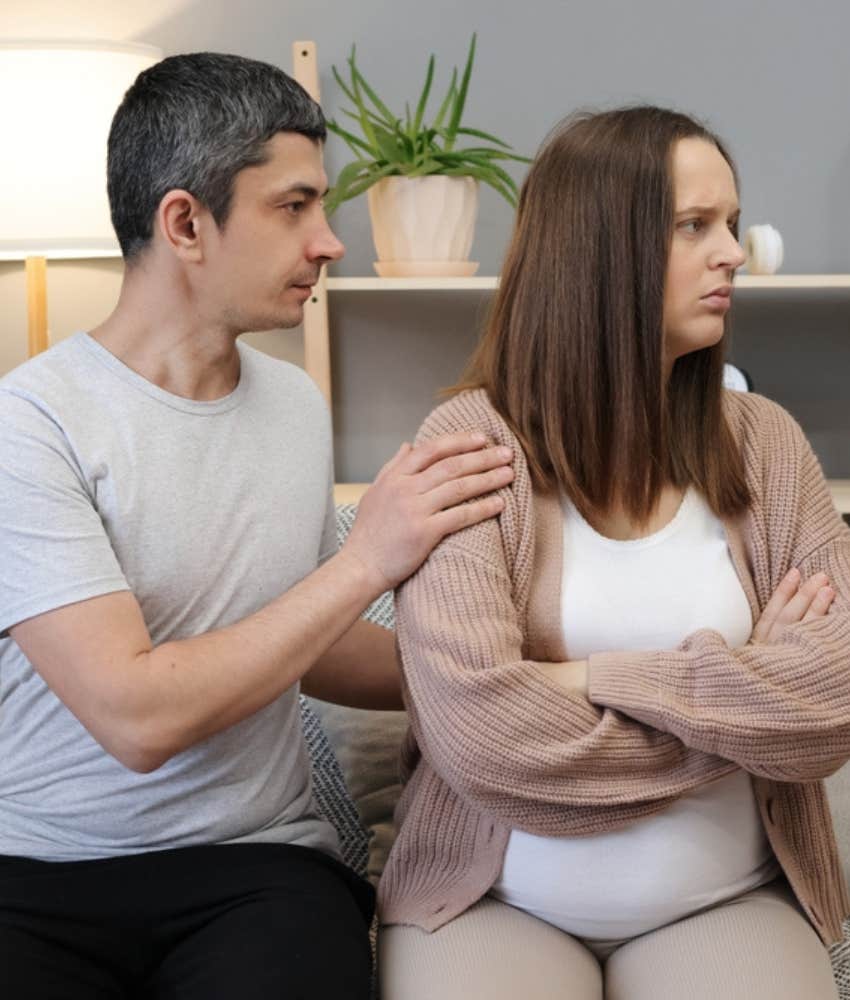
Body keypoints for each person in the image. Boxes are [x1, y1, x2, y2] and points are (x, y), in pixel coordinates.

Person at [0, 52, 514, 999]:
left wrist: (511, 675)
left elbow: (305, 644)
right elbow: (136, 717)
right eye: (294, 206)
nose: (330, 243)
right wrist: (368, 560)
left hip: (259, 869)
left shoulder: (290, 403)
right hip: (38, 879)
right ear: (186, 223)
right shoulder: (31, 424)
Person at [377, 106, 850, 1000]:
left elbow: (832, 701)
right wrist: (744, 704)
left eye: (733, 224)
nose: (735, 254)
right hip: (493, 904)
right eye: (694, 226)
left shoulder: (767, 443)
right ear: (601, 252)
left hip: (725, 901)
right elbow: (480, 736)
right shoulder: (471, 447)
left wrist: (584, 678)